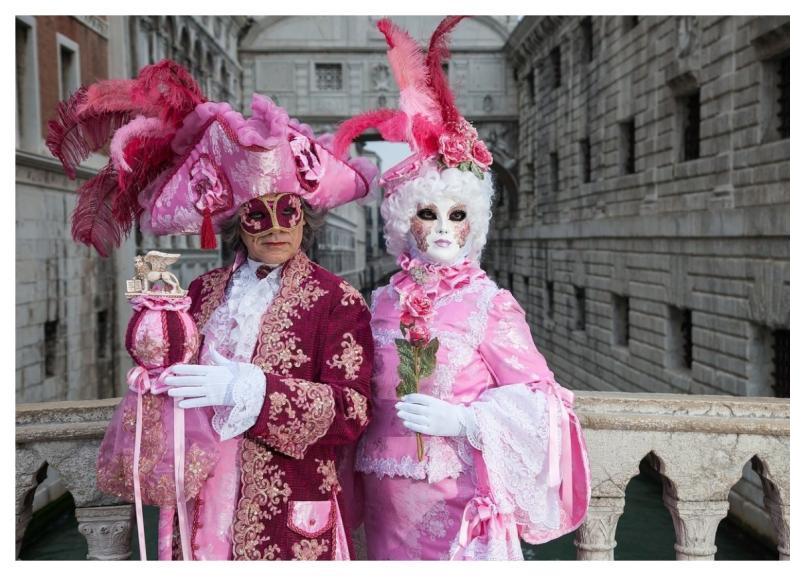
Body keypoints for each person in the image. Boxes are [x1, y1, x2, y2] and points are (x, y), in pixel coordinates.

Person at [48, 60, 377, 560]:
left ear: (304, 219)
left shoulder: (337, 299)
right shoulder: (201, 292)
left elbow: (352, 412)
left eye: (287, 211)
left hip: (287, 513)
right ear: (236, 225)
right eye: (256, 214)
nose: (274, 227)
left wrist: (250, 391)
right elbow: (168, 376)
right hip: (200, 505)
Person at [332, 17, 591, 560]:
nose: (444, 227)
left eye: (457, 214)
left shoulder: (489, 304)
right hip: (382, 499)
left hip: (457, 500)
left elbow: (545, 400)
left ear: (475, 223)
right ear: (405, 223)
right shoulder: (379, 302)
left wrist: (468, 420)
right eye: (428, 213)